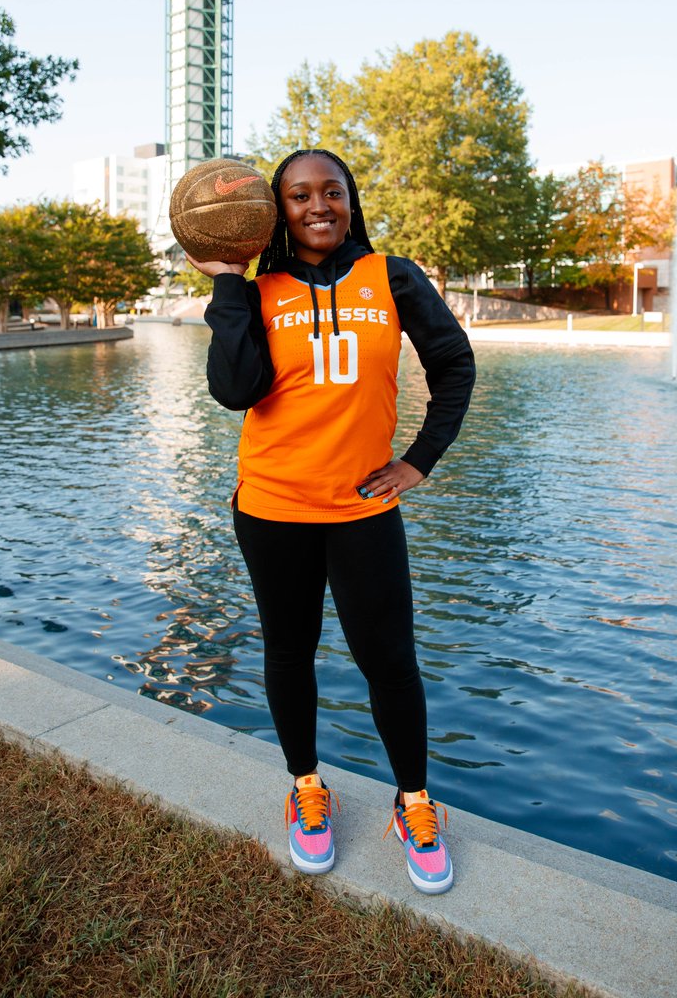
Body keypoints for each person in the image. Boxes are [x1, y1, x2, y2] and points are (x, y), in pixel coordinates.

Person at [188, 148, 475, 895]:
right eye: (298, 196)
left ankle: (415, 801)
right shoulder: (260, 290)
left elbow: (454, 364)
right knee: (290, 651)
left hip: (362, 509)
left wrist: (419, 460)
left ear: (351, 200)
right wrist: (227, 285)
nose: (318, 206)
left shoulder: (395, 277)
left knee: (390, 660)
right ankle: (306, 788)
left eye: (332, 192)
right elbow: (234, 389)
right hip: (273, 507)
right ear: (274, 211)